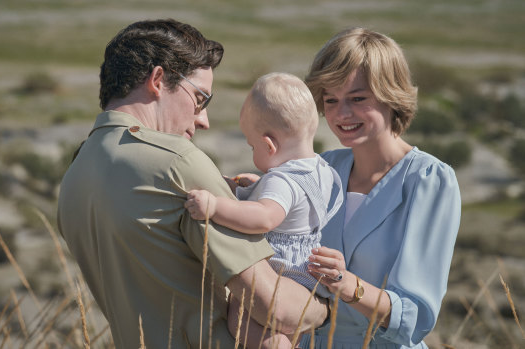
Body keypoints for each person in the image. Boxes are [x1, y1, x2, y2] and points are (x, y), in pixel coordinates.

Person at [56, 19, 329, 349]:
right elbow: (278, 309)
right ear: (158, 80)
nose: (203, 120)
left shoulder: (76, 173)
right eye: (200, 99)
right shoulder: (176, 161)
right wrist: (325, 306)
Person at [298, 27, 461, 348]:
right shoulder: (321, 168)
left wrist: (347, 284)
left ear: (391, 95)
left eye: (357, 98)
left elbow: (414, 318)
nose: (341, 114)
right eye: (331, 100)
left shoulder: (429, 180)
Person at [185, 72, 343, 348]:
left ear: (269, 145)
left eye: (252, 145)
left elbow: (265, 218)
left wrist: (214, 206)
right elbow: (297, 207)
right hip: (306, 274)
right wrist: (260, 187)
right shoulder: (321, 169)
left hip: (282, 272)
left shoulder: (282, 181)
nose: (252, 151)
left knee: (240, 317)